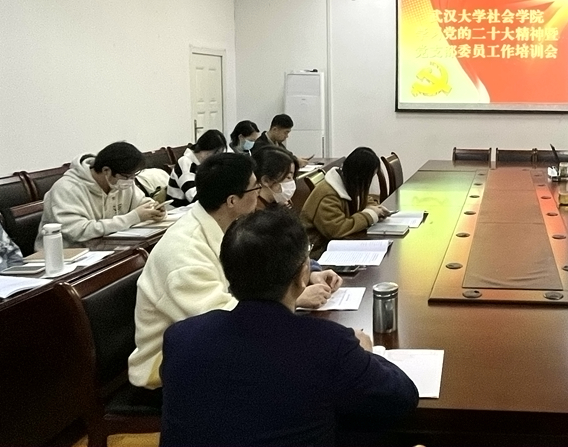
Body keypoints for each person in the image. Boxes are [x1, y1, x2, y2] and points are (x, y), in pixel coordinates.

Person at [159, 208, 418, 447]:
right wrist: (366, 354)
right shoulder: (328, 344)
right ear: (303, 275)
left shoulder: (180, 337)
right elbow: (402, 398)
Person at [129, 153, 341, 393]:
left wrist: (304, 274)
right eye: (255, 187)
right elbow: (220, 318)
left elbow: (268, 261)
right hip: (166, 366)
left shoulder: (227, 225)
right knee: (298, 374)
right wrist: (294, 298)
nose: (259, 193)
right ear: (232, 200)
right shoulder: (183, 252)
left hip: (208, 347)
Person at [36, 142, 165, 249]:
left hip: (105, 248)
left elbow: (140, 202)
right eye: (127, 176)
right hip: (66, 256)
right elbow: (79, 232)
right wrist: (133, 217)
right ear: (106, 171)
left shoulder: (120, 183)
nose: (130, 181)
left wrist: (154, 209)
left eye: (133, 176)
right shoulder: (67, 189)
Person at [300, 147, 389, 258]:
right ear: (360, 176)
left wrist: (375, 208)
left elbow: (363, 199)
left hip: (334, 245)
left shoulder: (349, 182)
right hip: (317, 252)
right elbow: (337, 230)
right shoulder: (328, 195)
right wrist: (370, 215)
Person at [167, 130, 227, 207]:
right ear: (204, 148)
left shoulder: (204, 164)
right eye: (215, 153)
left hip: (193, 208)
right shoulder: (185, 162)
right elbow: (192, 196)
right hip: (178, 209)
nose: (216, 158)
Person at [254, 146, 299, 210]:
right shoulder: (255, 211)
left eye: (293, 177)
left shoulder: (280, 204)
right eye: (288, 177)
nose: (292, 182)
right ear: (266, 181)